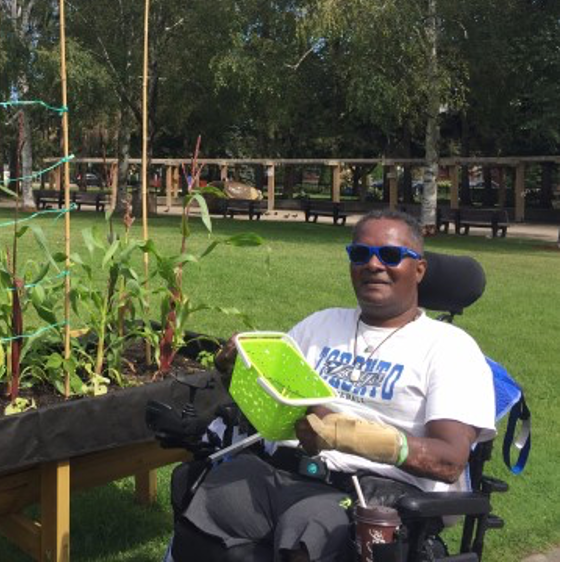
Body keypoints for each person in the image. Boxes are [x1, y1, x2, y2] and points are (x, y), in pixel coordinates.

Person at [172, 209, 496, 562]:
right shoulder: (321, 325)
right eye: (360, 254)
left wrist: (345, 435)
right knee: (202, 496)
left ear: (419, 269)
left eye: (390, 255)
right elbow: (274, 399)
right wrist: (233, 366)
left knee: (312, 528)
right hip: (287, 470)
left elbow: (449, 460)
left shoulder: (450, 348)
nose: (373, 264)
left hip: (373, 492)